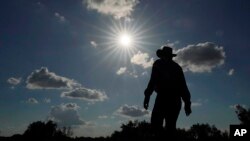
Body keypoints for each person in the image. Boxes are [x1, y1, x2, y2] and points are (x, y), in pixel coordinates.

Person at [144, 46, 192, 137]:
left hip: (169, 99)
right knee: (161, 126)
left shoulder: (166, 66)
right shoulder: (172, 67)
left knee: (166, 127)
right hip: (167, 99)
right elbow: (152, 81)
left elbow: (183, 86)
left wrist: (187, 103)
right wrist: (147, 96)